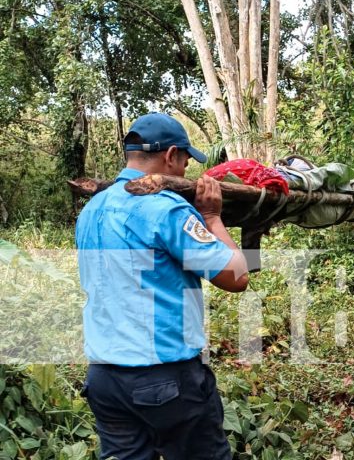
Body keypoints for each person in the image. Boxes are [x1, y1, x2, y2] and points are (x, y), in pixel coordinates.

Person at [76, 112, 249, 459]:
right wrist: (213, 218)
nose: (185, 171)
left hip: (104, 379)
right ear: (171, 156)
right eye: (185, 161)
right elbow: (237, 277)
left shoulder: (91, 209)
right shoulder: (166, 209)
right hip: (165, 380)